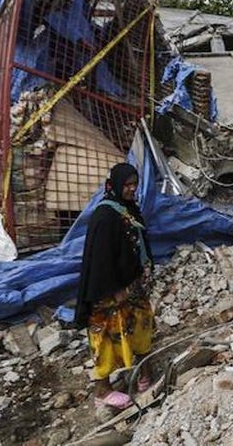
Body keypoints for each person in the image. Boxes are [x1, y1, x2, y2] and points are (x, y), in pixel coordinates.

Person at [74, 163, 155, 411]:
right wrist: (113, 289)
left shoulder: (128, 208)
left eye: (134, 184)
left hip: (132, 285)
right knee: (106, 336)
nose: (131, 189)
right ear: (114, 185)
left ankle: (143, 371)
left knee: (142, 324)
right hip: (107, 291)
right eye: (127, 185)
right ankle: (102, 390)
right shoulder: (104, 216)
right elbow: (99, 259)